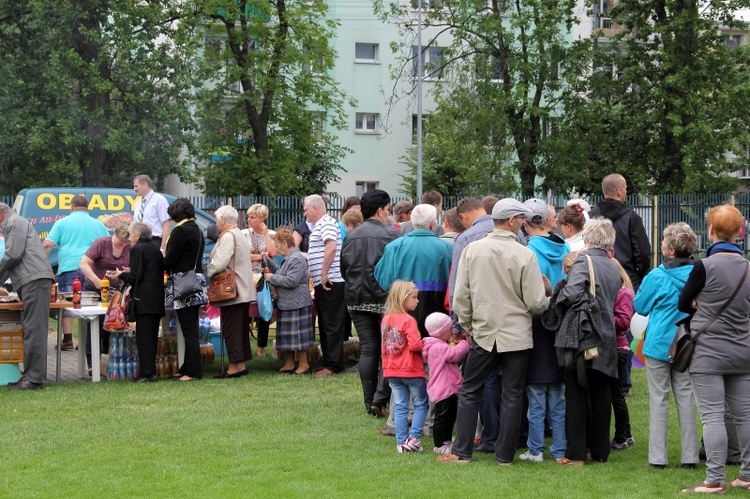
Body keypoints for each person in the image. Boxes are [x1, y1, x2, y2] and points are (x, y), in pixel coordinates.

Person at [439, 198, 548, 465]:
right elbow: (536, 302)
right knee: (512, 393)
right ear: (511, 221)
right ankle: (504, 455)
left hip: (483, 331)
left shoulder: (473, 250)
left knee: (471, 390)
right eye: (521, 219)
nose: (524, 224)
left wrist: (469, 324)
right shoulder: (524, 254)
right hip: (516, 333)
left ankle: (462, 450)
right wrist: (547, 302)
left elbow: (459, 297)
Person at [677, 204, 750, 494]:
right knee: (744, 415)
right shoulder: (747, 267)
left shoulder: (703, 266)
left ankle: (715, 480)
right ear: (739, 232)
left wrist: (699, 303)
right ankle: (746, 475)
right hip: (743, 350)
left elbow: (683, 304)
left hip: (707, 351)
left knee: (712, 415)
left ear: (710, 231)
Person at [551, 218, 621, 466]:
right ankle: (600, 451)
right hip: (607, 336)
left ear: (588, 238)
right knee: (602, 396)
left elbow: (571, 293)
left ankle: (576, 453)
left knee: (576, 393)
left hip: (583, 336)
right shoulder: (613, 265)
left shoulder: (584, 260)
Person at [633, 222, 699, 469]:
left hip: (660, 342)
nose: (660, 244)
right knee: (685, 397)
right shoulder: (697, 273)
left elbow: (640, 306)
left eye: (663, 241)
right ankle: (689, 456)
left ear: (671, 250)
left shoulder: (656, 276)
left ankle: (657, 458)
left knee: (658, 399)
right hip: (686, 341)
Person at [340, 189, 399, 416]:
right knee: (388, 349)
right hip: (385, 299)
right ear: (381, 210)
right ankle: (380, 399)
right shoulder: (391, 235)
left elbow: (344, 269)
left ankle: (369, 402)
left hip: (356, 298)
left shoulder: (351, 236)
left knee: (368, 349)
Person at [519, 198, 569, 463]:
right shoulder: (566, 246)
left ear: (526, 223)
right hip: (561, 318)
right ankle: (558, 447)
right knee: (558, 401)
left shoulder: (528, 251)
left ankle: (536, 447)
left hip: (536, 317)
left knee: (537, 400)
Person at [448, 196, 499, 453]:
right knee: (512, 385)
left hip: (480, 322)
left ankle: (487, 438)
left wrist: (459, 325)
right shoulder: (513, 234)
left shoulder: (466, 239)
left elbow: (458, 286)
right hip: (514, 323)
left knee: (481, 380)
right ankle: (512, 438)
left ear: (465, 216)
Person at [375, 204, 453, 336]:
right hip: (438, 314)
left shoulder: (394, 247)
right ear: (433, 224)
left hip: (402, 309)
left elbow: (382, 280)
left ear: (411, 221)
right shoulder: (448, 248)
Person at [0, 203, 55, 390]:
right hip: (33, 279)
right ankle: (31, 375)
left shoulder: (13, 222)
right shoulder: (15, 222)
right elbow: (14, 259)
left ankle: (32, 378)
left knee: (34, 329)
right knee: (32, 328)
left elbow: (12, 255)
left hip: (35, 280)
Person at [43, 195, 109, 350]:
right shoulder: (98, 224)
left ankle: (67, 340)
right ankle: (87, 340)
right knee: (90, 305)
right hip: (92, 268)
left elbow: (47, 244)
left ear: (71, 207)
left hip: (69, 267)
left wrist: (40, 262)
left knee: (68, 304)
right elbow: (107, 245)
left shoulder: (62, 223)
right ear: (87, 208)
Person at [113, 222, 165, 383]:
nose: (129, 238)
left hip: (143, 298)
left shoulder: (137, 249)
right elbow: (148, 270)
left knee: (143, 338)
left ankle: (146, 373)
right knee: (152, 337)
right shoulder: (155, 249)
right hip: (156, 297)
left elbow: (135, 277)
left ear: (137, 235)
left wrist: (120, 275)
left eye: (130, 235)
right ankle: (151, 371)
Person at [207, 205, 255, 378]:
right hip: (242, 289)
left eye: (217, 218)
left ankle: (234, 368)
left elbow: (219, 263)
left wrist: (208, 270)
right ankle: (240, 365)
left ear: (223, 219)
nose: (216, 222)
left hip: (233, 290)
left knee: (231, 328)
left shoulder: (228, 236)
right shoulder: (239, 234)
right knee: (239, 328)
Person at [381, 280, 428, 453]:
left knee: (400, 405)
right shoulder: (409, 320)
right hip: (411, 370)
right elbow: (415, 345)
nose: (417, 301)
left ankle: (401, 442)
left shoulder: (386, 319)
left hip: (391, 370)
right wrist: (426, 342)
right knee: (421, 403)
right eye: (414, 297)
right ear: (403, 298)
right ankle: (414, 438)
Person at [164, 198, 207, 382]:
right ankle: (187, 367)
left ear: (175, 215)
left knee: (188, 328)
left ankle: (193, 371)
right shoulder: (197, 229)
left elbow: (171, 260)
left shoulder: (180, 231)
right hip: (197, 278)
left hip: (184, 280)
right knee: (191, 326)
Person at [304, 194, 347, 376]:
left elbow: (331, 246)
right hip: (327, 281)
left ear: (315, 208)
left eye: (306, 209)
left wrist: (323, 272)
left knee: (331, 323)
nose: (305, 213)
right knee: (326, 322)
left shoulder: (327, 223)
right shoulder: (321, 225)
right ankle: (329, 362)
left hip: (331, 281)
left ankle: (332, 365)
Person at [80, 221, 132, 370]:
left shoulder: (129, 246)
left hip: (115, 291)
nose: (123, 245)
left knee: (113, 323)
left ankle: (108, 359)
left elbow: (133, 266)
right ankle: (92, 363)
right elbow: (84, 264)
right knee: (94, 323)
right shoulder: (101, 243)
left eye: (125, 242)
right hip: (94, 288)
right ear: (114, 234)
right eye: (120, 241)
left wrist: (126, 272)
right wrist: (96, 280)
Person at [264, 229, 315, 375]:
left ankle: (304, 364)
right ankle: (290, 362)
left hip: (297, 303)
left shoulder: (297, 258)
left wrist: (270, 278)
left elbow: (291, 281)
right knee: (289, 337)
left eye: (278, 247)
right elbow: (281, 272)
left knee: (299, 337)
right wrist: (268, 261)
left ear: (286, 243)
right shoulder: (290, 258)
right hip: (289, 303)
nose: (277, 251)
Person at [589, 174, 651, 291]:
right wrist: (640, 274)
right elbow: (642, 251)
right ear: (619, 191)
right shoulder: (631, 217)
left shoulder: (591, 216)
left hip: (598, 277)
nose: (626, 192)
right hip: (626, 278)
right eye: (626, 189)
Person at [422, 312, 469, 455]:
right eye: (449, 330)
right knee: (442, 417)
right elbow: (454, 355)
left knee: (450, 416)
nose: (451, 332)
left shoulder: (438, 345)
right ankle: (439, 444)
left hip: (449, 388)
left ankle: (447, 441)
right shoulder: (437, 347)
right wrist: (464, 343)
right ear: (441, 332)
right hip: (444, 388)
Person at [241, 204, 277, 359]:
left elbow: (273, 253)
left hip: (264, 276)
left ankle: (261, 346)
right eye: (248, 216)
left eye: (252, 217)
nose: (248, 219)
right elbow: (244, 255)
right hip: (248, 276)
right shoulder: (244, 234)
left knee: (264, 309)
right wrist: (262, 256)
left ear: (262, 218)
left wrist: (266, 234)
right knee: (246, 311)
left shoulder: (272, 234)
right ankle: (243, 346)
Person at [610, 259, 635, 451]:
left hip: (619, 348)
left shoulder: (624, 293)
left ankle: (622, 437)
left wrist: (604, 315)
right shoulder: (619, 292)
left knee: (616, 394)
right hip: (615, 347)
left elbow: (624, 323)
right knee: (616, 393)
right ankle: (626, 434)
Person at [132, 174, 171, 254]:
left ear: (145, 185)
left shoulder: (159, 200)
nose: (134, 189)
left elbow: (166, 225)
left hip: (154, 241)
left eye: (136, 186)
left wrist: (163, 248)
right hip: (139, 242)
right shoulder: (138, 203)